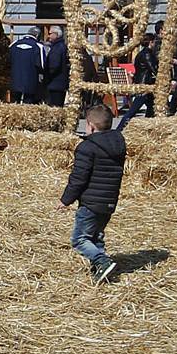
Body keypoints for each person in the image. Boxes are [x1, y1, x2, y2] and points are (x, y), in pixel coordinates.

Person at [59, 99, 126, 283]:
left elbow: (79, 178)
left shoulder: (87, 148)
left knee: (79, 240)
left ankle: (102, 261)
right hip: (109, 201)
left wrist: (66, 200)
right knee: (96, 236)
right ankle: (101, 272)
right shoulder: (118, 143)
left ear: (90, 125)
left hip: (91, 202)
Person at [8, 28, 44, 105]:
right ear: (37, 35)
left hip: (15, 80)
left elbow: (8, 61)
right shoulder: (38, 46)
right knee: (28, 105)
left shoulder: (14, 44)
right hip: (31, 81)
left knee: (14, 104)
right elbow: (41, 65)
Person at [40, 25, 71, 109]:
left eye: (50, 33)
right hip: (60, 84)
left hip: (54, 84)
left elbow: (54, 65)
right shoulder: (61, 46)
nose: (48, 36)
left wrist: (46, 77)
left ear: (56, 34)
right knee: (58, 107)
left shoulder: (57, 48)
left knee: (54, 108)